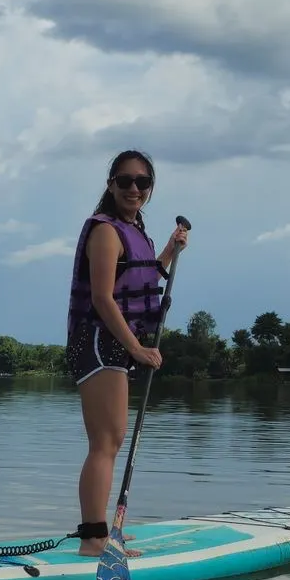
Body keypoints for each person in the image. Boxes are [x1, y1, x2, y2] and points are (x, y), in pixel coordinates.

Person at [66, 150, 189, 555]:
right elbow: (103, 298)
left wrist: (169, 251)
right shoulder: (105, 230)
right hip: (100, 343)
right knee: (105, 442)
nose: (133, 188)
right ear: (111, 184)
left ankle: (99, 528)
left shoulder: (134, 230)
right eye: (125, 181)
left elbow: (139, 276)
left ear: (150, 188)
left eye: (142, 182)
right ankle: (94, 538)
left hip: (115, 346)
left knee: (111, 442)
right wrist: (137, 347)